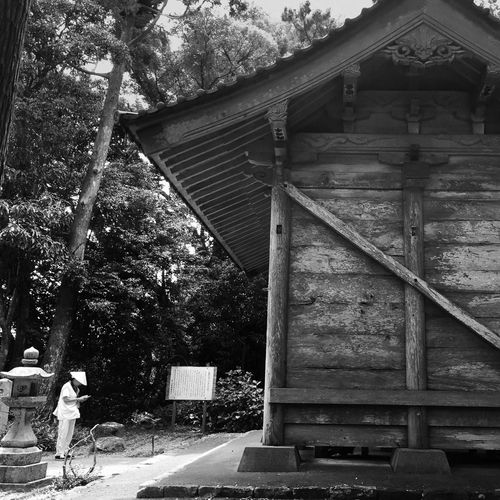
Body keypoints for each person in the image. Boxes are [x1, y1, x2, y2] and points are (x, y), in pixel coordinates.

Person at [53, 371, 90, 459]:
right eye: (79, 381)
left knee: (70, 432)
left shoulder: (76, 388)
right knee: (63, 432)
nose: (80, 383)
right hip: (65, 412)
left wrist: (80, 400)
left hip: (72, 412)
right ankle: (59, 453)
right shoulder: (66, 386)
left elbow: (73, 400)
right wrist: (78, 398)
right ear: (75, 379)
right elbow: (65, 399)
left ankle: (66, 451)